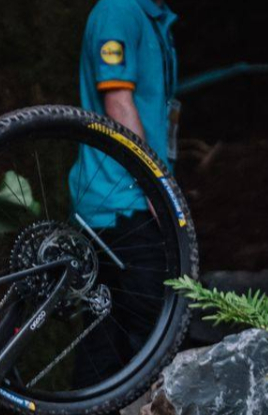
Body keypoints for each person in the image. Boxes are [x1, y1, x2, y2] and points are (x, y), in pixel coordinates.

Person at [69, 0, 178, 390]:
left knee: (104, 332)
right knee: (151, 330)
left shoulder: (153, 19)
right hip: (122, 200)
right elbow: (117, 101)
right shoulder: (118, 10)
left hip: (125, 198)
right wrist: (157, 185)